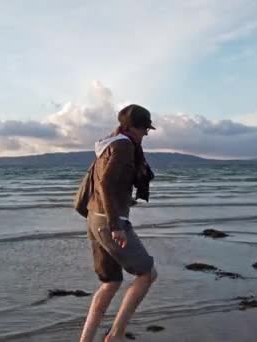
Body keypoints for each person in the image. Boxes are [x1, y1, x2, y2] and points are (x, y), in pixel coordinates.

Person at [79, 104, 158, 342]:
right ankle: (116, 335)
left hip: (95, 217)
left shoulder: (109, 144)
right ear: (135, 127)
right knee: (147, 274)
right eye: (145, 129)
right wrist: (116, 225)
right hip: (109, 222)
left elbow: (107, 184)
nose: (146, 134)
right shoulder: (124, 146)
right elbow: (104, 184)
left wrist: (124, 200)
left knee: (111, 282)